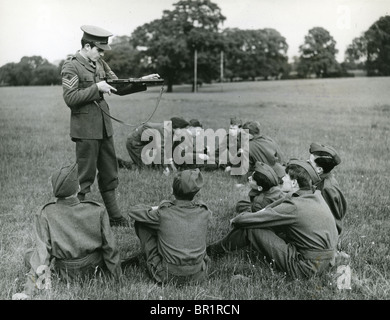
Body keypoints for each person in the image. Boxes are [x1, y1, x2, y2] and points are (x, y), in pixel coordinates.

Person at [61, 25, 159, 226]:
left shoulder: (100, 63)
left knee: (110, 172)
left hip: (104, 127)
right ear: (87, 46)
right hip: (85, 129)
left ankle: (115, 217)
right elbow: (70, 98)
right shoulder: (71, 66)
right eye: (99, 49)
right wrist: (96, 87)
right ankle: (81, 219)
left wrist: (142, 81)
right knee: (85, 175)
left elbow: (118, 86)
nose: (102, 53)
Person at [207, 159, 339, 279]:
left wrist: (236, 220)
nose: (283, 179)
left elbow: (247, 220)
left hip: (305, 268)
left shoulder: (294, 207)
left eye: (286, 177)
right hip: (326, 262)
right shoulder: (314, 195)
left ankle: (211, 252)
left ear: (294, 182)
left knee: (252, 228)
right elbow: (283, 200)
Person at [12, 163, 122, 300]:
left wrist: (28, 292)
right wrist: (117, 279)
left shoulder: (45, 213)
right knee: (30, 254)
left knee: (29, 255)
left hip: (65, 272)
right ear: (79, 188)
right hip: (94, 268)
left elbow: (42, 255)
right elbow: (110, 248)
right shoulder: (97, 209)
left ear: (54, 190)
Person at [124, 169, 212, 285]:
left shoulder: (163, 213)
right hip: (198, 275)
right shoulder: (204, 212)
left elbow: (133, 211)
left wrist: (157, 207)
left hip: (167, 275)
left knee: (141, 222)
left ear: (173, 191)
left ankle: (152, 256)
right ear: (195, 193)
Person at [309, 142, 347, 235]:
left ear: (319, 170)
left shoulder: (327, 188)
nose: (306, 162)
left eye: (310, 162)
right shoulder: (320, 179)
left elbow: (333, 221)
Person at [125, 117, 190, 170]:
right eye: (183, 130)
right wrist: (166, 167)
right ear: (176, 128)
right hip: (135, 143)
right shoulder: (164, 130)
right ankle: (120, 164)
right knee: (145, 168)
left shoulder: (171, 130)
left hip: (146, 143)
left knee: (154, 165)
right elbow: (160, 149)